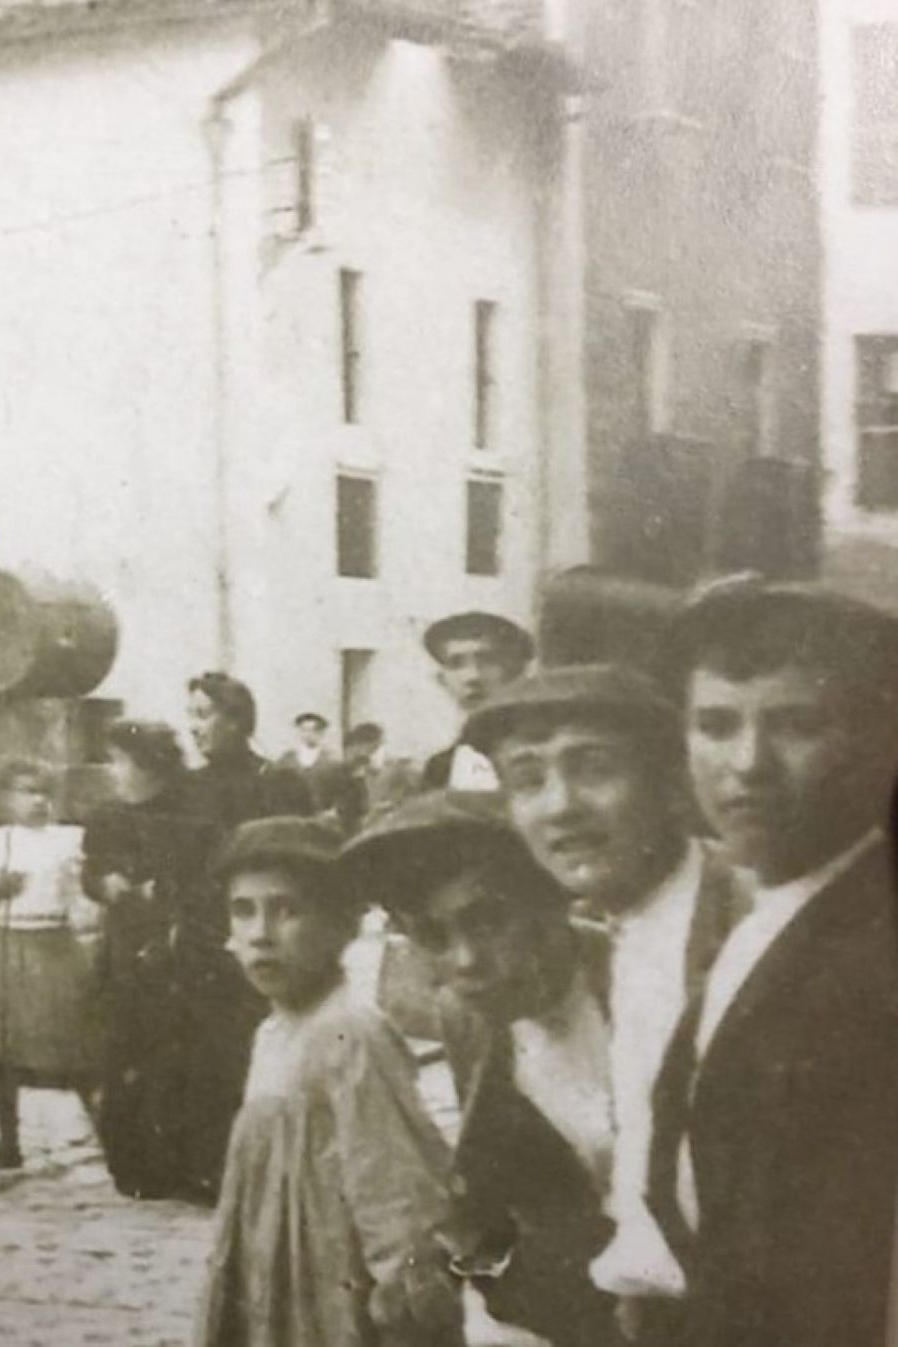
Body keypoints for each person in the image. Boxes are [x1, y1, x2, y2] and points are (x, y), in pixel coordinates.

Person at [645, 576, 898, 1347]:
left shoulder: (872, 950)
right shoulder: (771, 917)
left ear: (874, 739)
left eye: (795, 724)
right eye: (716, 724)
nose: (747, 762)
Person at [465, 664, 748, 1342]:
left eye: (593, 766)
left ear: (668, 781)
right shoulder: (620, 932)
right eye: (527, 778)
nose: (559, 805)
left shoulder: (745, 926)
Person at [343, 791, 625, 1347]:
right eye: (432, 936)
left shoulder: (639, 987)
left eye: (488, 920)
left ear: (548, 900)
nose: (465, 959)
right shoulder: (469, 1016)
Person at [196, 817, 461, 1347]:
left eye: (287, 909)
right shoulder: (274, 1030)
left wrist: (411, 1299)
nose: (260, 934)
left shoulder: (349, 1031)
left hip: (334, 1292)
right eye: (242, 911)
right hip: (278, 1280)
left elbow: (397, 1190)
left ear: (342, 924)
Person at [82, 716, 229, 1202]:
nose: (114, 772)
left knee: (178, 1057)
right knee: (120, 1054)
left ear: (149, 765)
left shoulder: (191, 813)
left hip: (180, 950)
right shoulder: (106, 816)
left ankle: (184, 1165)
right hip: (123, 949)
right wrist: (106, 885)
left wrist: (161, 892)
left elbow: (208, 879)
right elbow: (93, 872)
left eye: (121, 762)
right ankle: (132, 1163)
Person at [0, 759, 98, 1171]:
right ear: (6, 798)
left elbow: (83, 902)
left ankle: (114, 1140)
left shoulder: (68, 842)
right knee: (0, 1051)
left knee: (72, 1046)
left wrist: (85, 925)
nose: (38, 801)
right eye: (27, 792)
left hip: (53, 945)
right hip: (7, 944)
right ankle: (8, 1142)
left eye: (45, 792)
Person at [421, 613, 534, 792]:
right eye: (456, 663)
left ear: (518, 671)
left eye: (488, 660)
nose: (472, 677)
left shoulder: (543, 753)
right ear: (442, 680)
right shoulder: (440, 767)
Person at [185, 672, 314, 823]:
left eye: (203, 715)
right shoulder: (189, 787)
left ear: (235, 721)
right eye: (191, 716)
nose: (193, 728)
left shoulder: (279, 784)